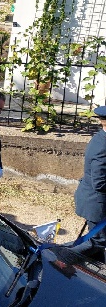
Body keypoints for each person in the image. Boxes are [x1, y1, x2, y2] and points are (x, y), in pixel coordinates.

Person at [73, 105, 106, 261]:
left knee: (97, 241)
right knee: (98, 241)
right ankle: (61, 260)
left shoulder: (101, 137)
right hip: (96, 203)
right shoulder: (103, 146)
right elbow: (100, 182)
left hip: (93, 199)